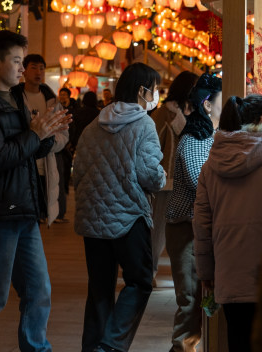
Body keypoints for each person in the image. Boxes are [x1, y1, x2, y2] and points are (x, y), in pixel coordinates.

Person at [0, 29, 70, 352]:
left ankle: (36, 346)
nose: (23, 69)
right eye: (17, 61)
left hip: (23, 207)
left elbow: (25, 150)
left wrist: (46, 132)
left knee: (38, 289)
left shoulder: (16, 99)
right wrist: (34, 134)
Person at [73, 61, 166, 352]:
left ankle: (93, 347)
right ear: (142, 91)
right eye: (155, 90)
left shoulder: (93, 124)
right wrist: (162, 176)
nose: (156, 95)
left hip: (92, 219)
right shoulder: (143, 124)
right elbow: (150, 175)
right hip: (128, 218)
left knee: (99, 289)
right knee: (139, 282)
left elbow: (77, 173)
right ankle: (111, 345)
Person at [193, 94, 262, 352]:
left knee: (239, 341)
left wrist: (206, 274)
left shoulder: (211, 165)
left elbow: (201, 226)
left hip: (230, 273)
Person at [165, 72, 222, 352]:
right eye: (222, 100)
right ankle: (181, 348)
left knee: (199, 299)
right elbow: (202, 183)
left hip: (196, 227)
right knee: (190, 301)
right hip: (185, 229)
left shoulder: (208, 134)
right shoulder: (196, 138)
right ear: (208, 105)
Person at [11, 54, 69, 226]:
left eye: (42, 68)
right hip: (23, 158)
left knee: (46, 192)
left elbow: (63, 132)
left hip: (47, 159)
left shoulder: (52, 101)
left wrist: (50, 144)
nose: (39, 72)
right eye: (34, 67)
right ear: (24, 71)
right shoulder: (15, 98)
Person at [150, 71, 198, 279]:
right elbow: (152, 145)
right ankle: (148, 270)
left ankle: (184, 272)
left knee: (185, 231)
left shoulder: (195, 113)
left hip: (188, 181)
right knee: (158, 230)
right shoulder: (164, 113)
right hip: (166, 180)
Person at [56, 86, 77, 221]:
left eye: (64, 94)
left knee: (64, 176)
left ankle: (61, 210)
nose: (62, 96)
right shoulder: (56, 109)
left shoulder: (73, 111)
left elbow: (74, 128)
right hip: (59, 147)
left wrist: (71, 143)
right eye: (61, 94)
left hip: (68, 147)